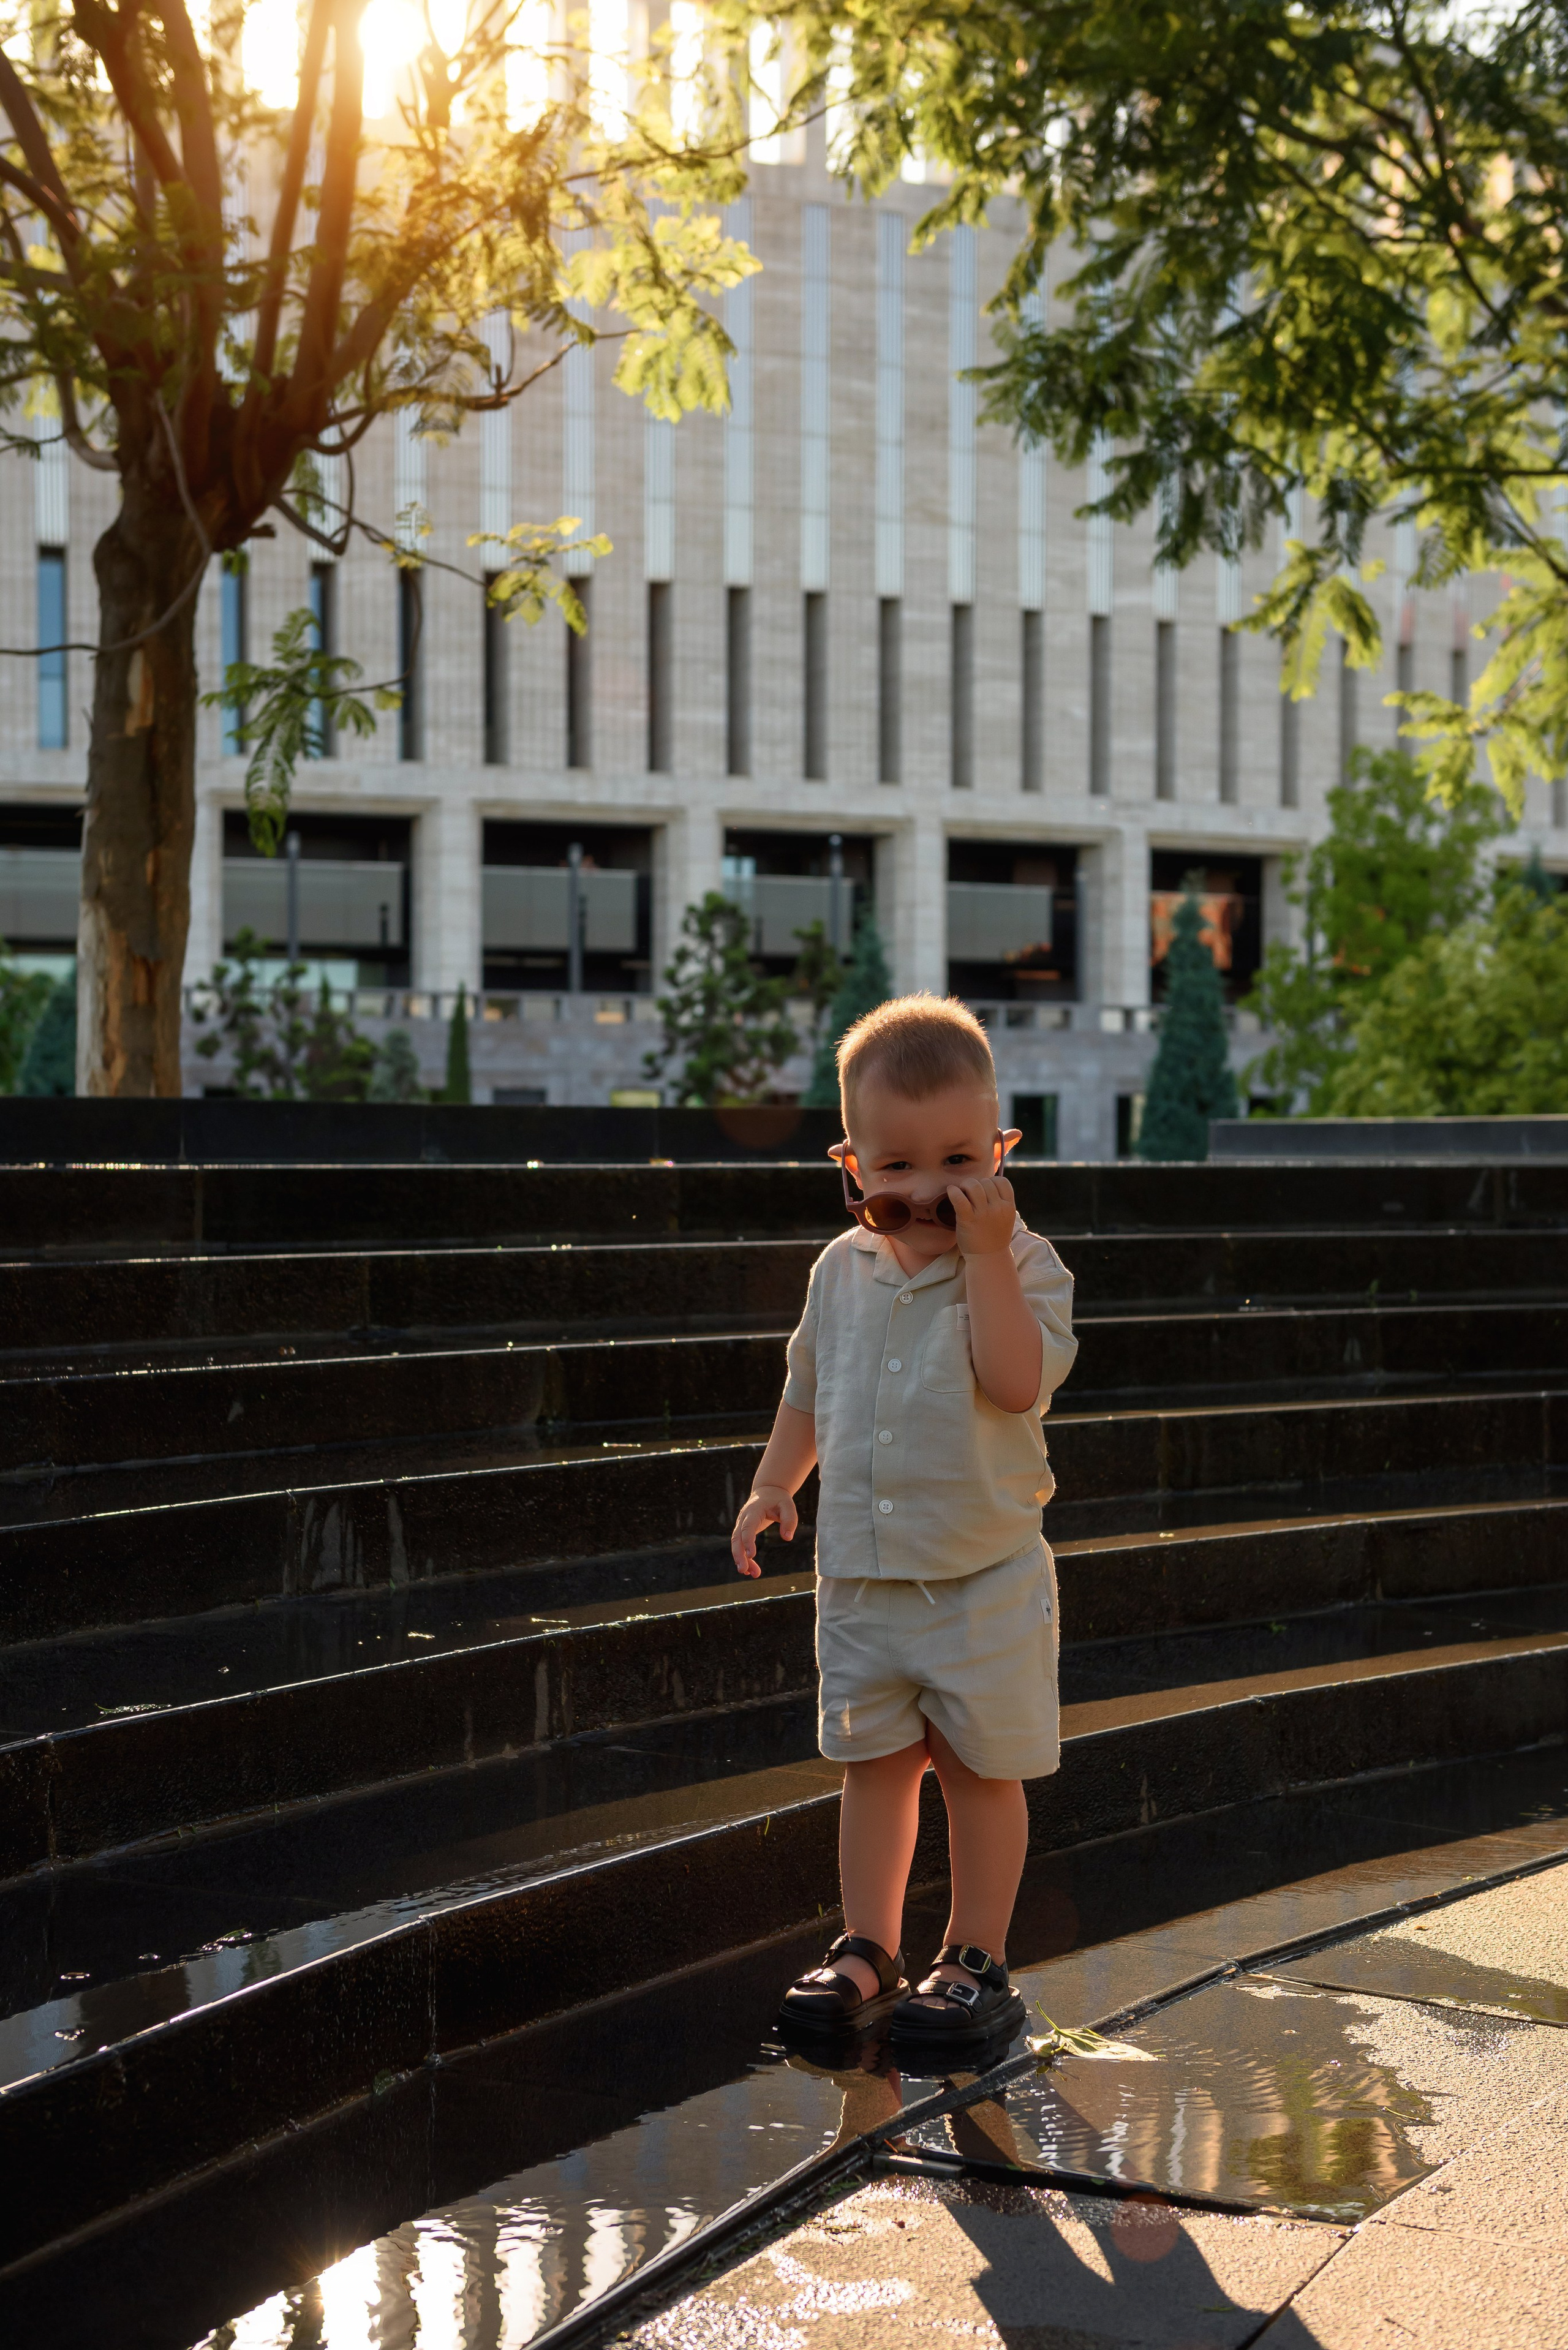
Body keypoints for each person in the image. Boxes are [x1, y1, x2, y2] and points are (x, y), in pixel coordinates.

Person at [731, 993, 1077, 2047]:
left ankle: (974, 1954)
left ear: (1003, 1149)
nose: (932, 1192)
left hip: (982, 1578)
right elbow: (808, 1388)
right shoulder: (839, 1272)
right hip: (867, 1579)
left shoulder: (1024, 1268)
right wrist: (774, 1482)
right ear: (852, 1165)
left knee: (978, 1770)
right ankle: (867, 1943)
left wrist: (985, 1255)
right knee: (873, 1766)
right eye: (898, 1169)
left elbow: (1016, 1383)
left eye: (961, 1161)